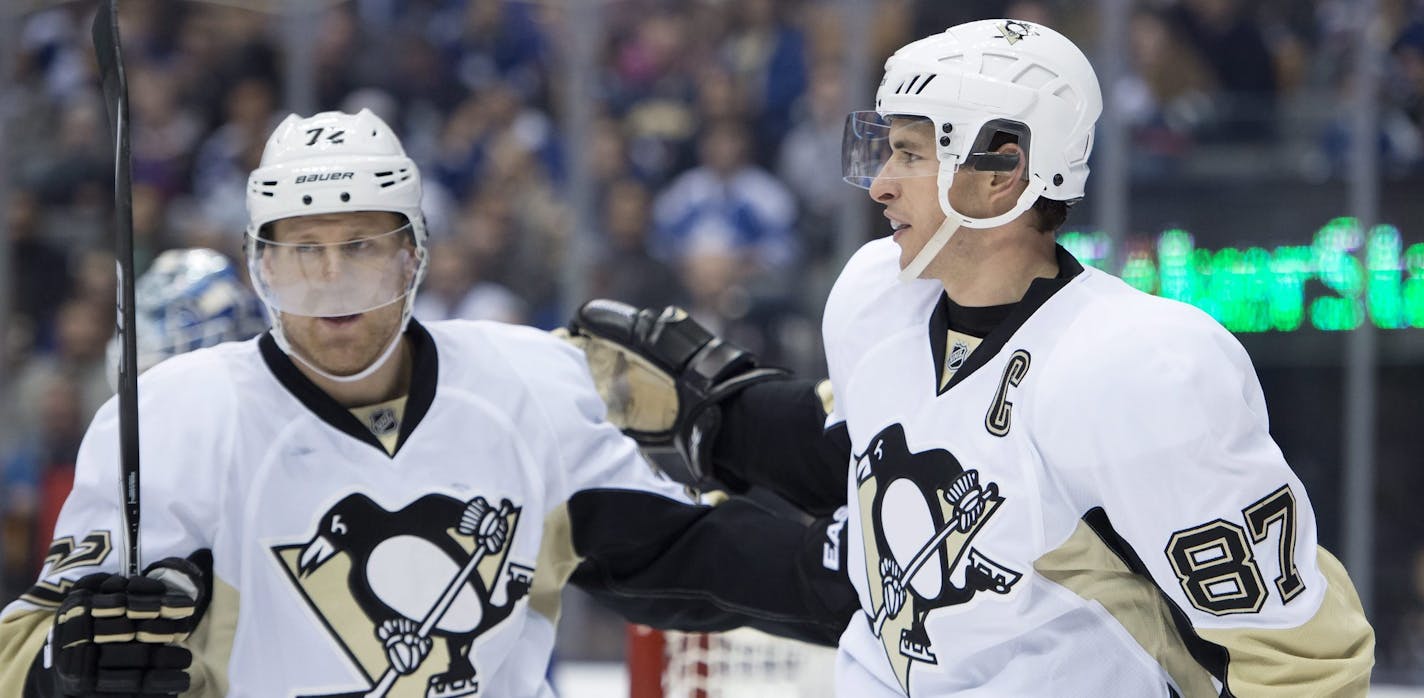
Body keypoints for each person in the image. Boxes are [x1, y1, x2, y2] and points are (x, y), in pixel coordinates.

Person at [566, 19, 1375, 696]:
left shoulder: (1137, 368)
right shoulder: (878, 295)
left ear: (1005, 174)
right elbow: (864, 462)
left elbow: (1304, 658)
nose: (882, 183)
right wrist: (731, 422)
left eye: (913, 154)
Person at [0, 109, 857, 697]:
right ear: (261, 267)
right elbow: (26, 647)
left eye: (364, 250)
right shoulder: (172, 418)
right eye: (302, 256)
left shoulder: (530, 386)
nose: (333, 287)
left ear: (416, 258)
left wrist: (864, 575)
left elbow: (688, 557)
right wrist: (63, 670)